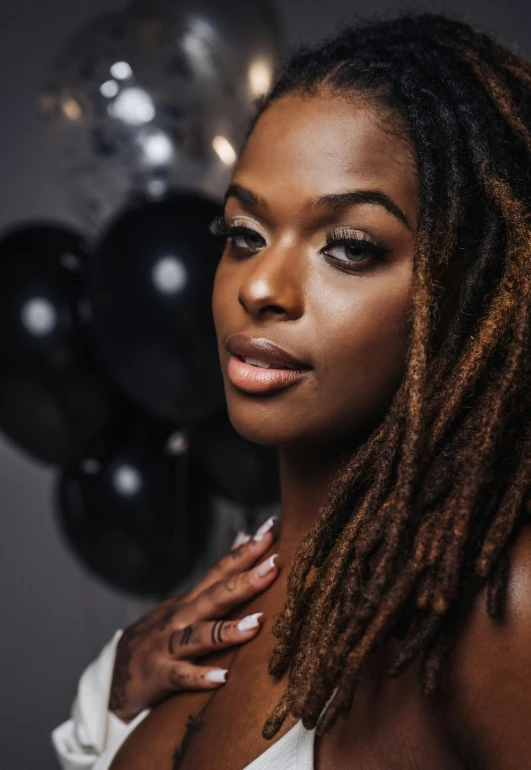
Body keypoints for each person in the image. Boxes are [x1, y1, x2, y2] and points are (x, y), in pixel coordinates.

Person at [53, 10, 531, 770]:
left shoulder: (494, 610)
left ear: (471, 290)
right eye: (243, 235)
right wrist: (110, 705)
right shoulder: (220, 603)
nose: (261, 288)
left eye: (347, 248)